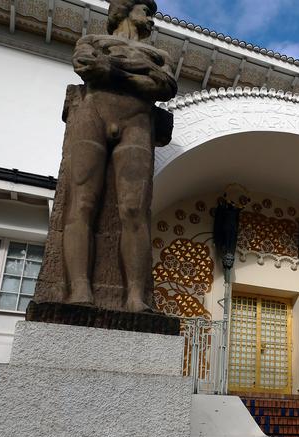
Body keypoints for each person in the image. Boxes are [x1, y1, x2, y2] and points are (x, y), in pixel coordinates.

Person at [62, 0, 177, 311]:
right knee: (82, 203)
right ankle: (79, 289)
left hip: (136, 124)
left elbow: (165, 86)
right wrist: (139, 71)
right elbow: (87, 66)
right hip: (92, 115)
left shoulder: (160, 55)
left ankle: (136, 296)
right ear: (126, 10)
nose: (152, 20)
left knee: (134, 210)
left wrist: (112, 68)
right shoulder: (92, 41)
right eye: (147, 12)